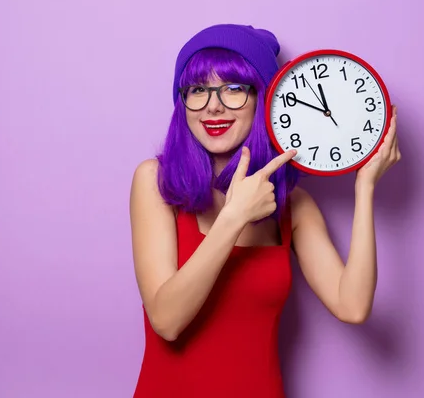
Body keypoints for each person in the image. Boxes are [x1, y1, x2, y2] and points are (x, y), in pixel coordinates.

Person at [129, 24, 401, 398]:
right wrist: (234, 217)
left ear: (263, 100)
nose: (213, 105)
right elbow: (167, 320)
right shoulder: (155, 182)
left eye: (234, 89)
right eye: (197, 90)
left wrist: (366, 187)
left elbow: (352, 305)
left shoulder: (293, 204)